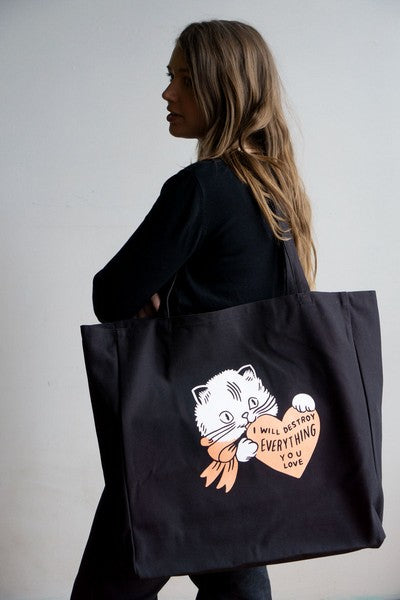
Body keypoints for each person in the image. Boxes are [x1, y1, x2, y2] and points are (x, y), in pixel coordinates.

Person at [71, 19, 316, 600]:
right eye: (170, 76)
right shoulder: (277, 192)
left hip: (177, 441)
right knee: (236, 583)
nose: (167, 92)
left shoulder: (203, 187)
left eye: (184, 79)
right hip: (235, 446)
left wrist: (155, 298)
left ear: (222, 88)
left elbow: (111, 296)